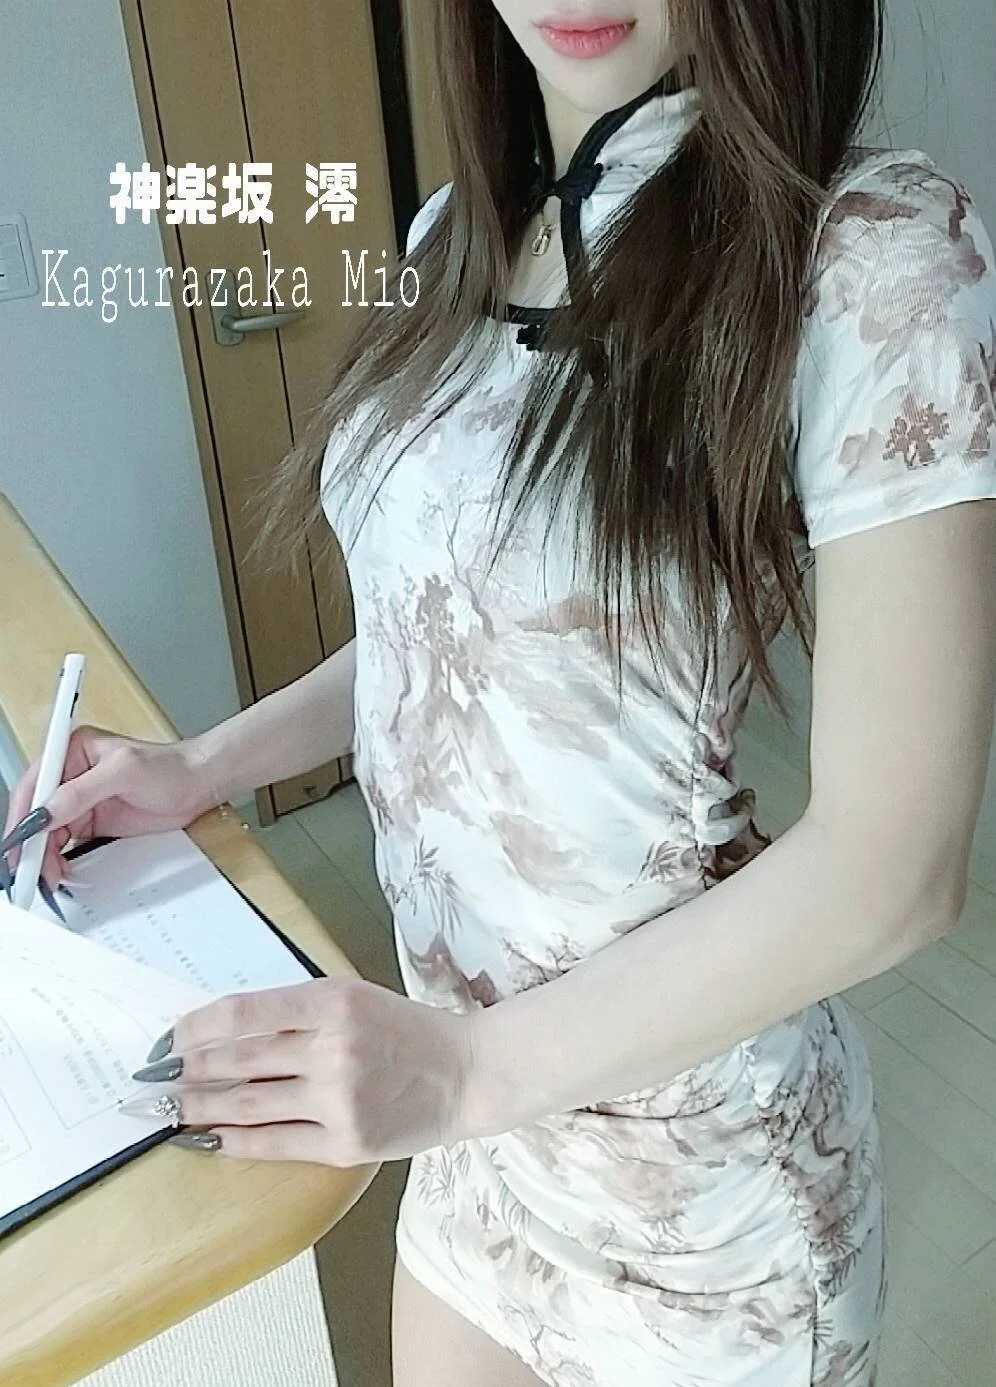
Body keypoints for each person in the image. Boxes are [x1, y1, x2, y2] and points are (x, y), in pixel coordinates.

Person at [7, 2, 996, 1383]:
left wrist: (464, 1074)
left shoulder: (871, 253)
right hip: (477, 1152)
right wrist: (201, 767)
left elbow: (895, 865)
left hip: (700, 1208)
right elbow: (440, 632)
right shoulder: (451, 241)